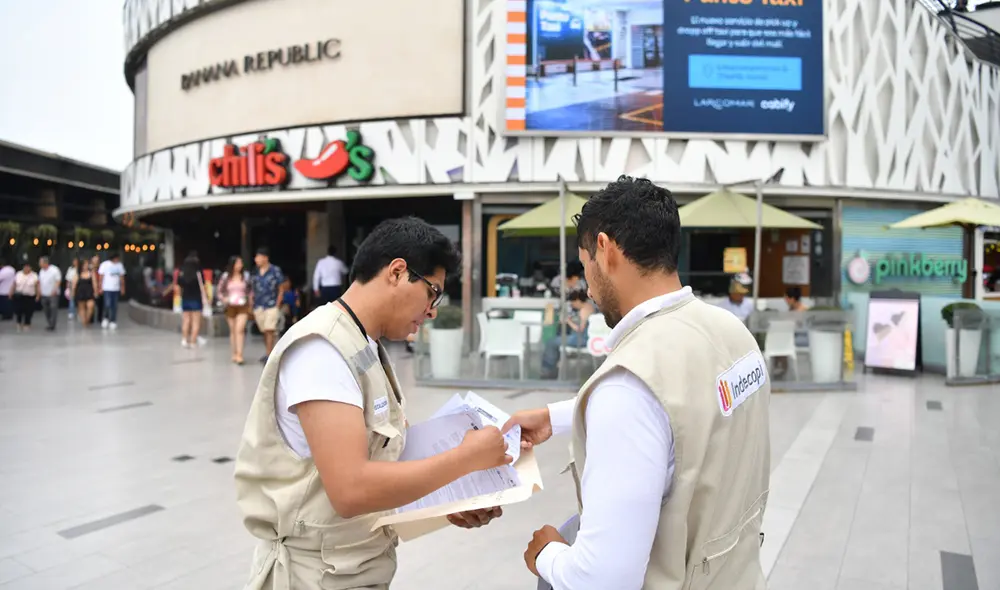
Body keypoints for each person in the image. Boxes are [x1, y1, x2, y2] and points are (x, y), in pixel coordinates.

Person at [503, 176, 771, 589]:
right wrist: (557, 417)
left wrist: (547, 554)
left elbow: (603, 578)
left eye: (585, 263)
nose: (588, 285)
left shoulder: (629, 385)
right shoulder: (732, 332)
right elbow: (682, 408)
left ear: (605, 249)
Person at [233, 216, 510, 589]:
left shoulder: (364, 343)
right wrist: (465, 460)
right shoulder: (323, 349)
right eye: (433, 292)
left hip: (350, 569)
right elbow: (351, 490)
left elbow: (384, 464)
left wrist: (447, 501)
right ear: (396, 272)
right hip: (314, 577)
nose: (432, 310)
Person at [541, 291, 595, 379]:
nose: (572, 305)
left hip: (580, 339)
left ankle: (547, 370)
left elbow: (580, 329)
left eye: (573, 302)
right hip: (583, 338)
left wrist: (568, 321)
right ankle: (553, 368)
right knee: (556, 340)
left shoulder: (584, 310)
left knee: (551, 342)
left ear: (578, 300)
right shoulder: (589, 307)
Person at [250, 247, 285, 363]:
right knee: (264, 330)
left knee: (270, 329)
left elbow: (281, 288)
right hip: (258, 305)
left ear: (265, 258)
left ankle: (270, 355)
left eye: (258, 257)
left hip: (271, 304)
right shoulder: (255, 271)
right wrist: (251, 302)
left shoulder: (275, 270)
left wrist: (278, 304)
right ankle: (268, 352)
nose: (256, 259)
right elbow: (252, 288)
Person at [219, 256, 252, 364]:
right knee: (233, 330)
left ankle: (240, 354)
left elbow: (250, 290)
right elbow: (220, 291)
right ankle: (234, 353)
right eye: (238, 263)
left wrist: (250, 302)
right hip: (230, 305)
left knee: (240, 329)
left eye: (241, 263)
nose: (240, 265)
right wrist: (224, 299)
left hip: (243, 305)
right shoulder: (226, 277)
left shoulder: (245, 276)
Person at [176, 252, 208, 348]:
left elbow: (178, 286)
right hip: (196, 299)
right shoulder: (198, 273)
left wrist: (180, 297)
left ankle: (184, 340)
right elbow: (203, 286)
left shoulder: (182, 273)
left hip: (185, 299)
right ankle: (193, 341)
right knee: (196, 322)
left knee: (186, 320)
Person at [98, 252, 126, 330]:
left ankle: (113, 320)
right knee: (107, 304)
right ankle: (106, 317)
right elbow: (101, 277)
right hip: (107, 288)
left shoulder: (120, 265)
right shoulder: (105, 265)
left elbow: (122, 277)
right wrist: (100, 287)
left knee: (114, 305)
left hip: (116, 289)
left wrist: (122, 288)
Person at [11, 262, 39, 332]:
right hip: (19, 295)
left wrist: (38, 295)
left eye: (28, 267)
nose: (26, 268)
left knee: (28, 311)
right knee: (18, 310)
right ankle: (19, 323)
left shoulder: (34, 275)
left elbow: (37, 286)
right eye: (25, 267)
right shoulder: (18, 274)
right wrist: (11, 292)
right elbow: (14, 284)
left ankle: (27, 323)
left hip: (29, 296)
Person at [37, 256, 62, 331]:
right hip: (44, 294)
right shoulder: (41, 271)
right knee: (46, 309)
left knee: (53, 308)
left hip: (53, 294)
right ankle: (49, 322)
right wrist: (39, 290)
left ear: (45, 263)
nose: (39, 264)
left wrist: (55, 289)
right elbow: (39, 282)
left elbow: (58, 280)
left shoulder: (54, 270)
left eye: (40, 262)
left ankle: (52, 325)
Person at [73, 260, 98, 327]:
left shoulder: (91, 273)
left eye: (87, 264)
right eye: (84, 264)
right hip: (80, 292)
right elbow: (74, 284)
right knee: (82, 308)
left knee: (91, 306)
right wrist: (73, 294)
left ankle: (87, 319)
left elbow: (94, 282)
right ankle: (84, 322)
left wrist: (96, 291)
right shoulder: (78, 274)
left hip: (89, 292)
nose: (86, 266)